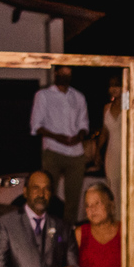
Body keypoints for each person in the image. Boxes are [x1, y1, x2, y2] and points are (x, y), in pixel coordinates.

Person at [30, 66, 89, 225]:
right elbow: (36, 125)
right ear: (55, 74)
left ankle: (67, 233)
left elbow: (84, 123)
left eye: (69, 73)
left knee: (73, 199)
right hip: (53, 150)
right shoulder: (44, 95)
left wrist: (80, 136)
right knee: (47, 194)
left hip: (76, 153)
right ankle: (45, 228)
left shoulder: (78, 97)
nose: (65, 76)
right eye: (62, 73)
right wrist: (57, 137)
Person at [97, 76, 124, 203]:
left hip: (126, 152)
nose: (113, 88)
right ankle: (116, 219)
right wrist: (97, 151)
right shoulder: (106, 108)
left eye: (117, 85)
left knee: (125, 186)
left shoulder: (128, 106)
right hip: (111, 152)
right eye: (111, 85)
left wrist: (127, 96)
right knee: (113, 187)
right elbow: (104, 132)